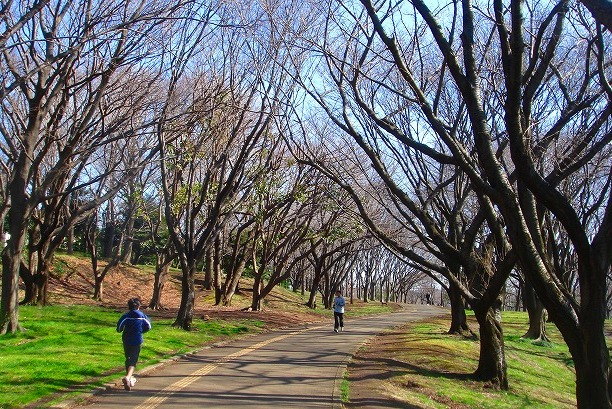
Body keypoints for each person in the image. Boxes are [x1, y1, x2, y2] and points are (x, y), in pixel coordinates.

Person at [116, 297, 151, 391]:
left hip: (126, 339)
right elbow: (148, 326)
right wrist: (141, 331)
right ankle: (128, 377)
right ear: (139, 306)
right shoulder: (142, 316)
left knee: (128, 358)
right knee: (133, 359)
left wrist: (122, 330)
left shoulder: (126, 316)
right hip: (137, 339)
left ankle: (129, 378)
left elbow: (119, 328)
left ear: (129, 306)